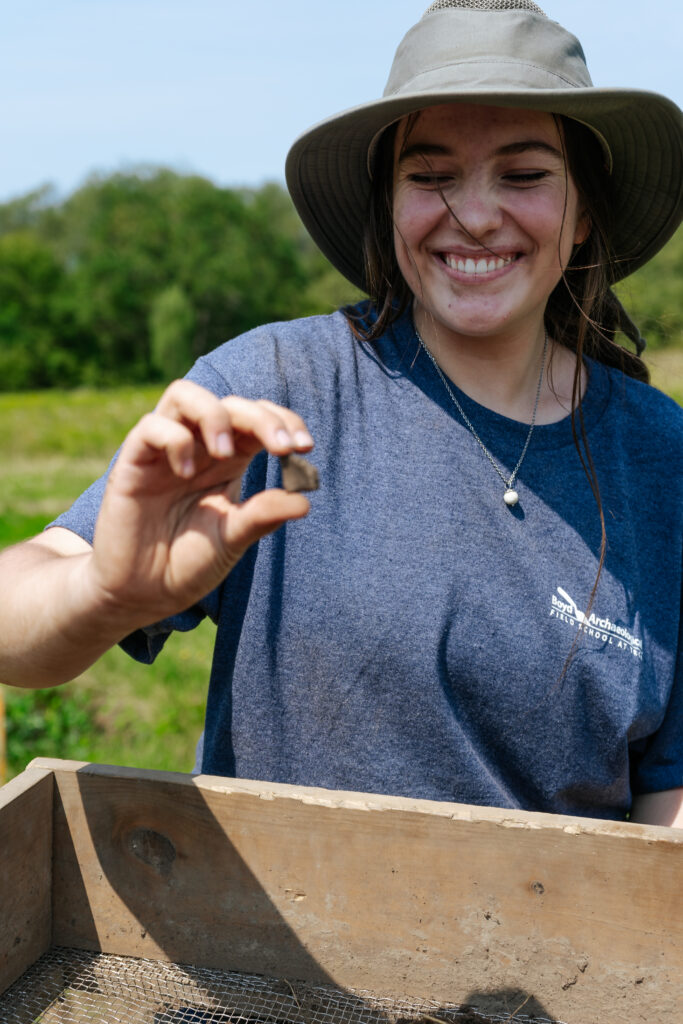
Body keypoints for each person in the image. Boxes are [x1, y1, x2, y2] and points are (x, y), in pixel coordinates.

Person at [1, 0, 682, 826]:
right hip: (260, 954)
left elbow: (666, 804)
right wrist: (104, 591)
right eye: (428, 175)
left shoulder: (661, 457)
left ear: (581, 216)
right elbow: (15, 615)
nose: (473, 213)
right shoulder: (271, 390)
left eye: (524, 174)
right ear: (386, 206)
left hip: (555, 949)